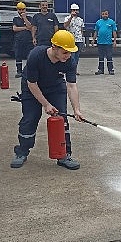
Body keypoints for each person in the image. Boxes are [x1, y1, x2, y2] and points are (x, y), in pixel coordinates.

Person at [11, 29, 84, 170]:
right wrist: (46, 104)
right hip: (32, 87)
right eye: (65, 52)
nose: (68, 56)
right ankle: (22, 152)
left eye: (70, 52)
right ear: (54, 47)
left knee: (62, 119)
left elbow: (71, 85)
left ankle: (64, 155)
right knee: (30, 118)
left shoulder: (70, 60)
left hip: (55, 87)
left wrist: (77, 110)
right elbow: (32, 84)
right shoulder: (36, 55)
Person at [12, 1, 34, 78]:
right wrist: (25, 28)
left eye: (22, 9)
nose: (21, 11)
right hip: (19, 40)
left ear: (25, 10)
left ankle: (28, 71)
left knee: (29, 56)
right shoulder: (15, 19)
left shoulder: (30, 18)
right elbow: (14, 28)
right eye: (19, 10)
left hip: (28, 41)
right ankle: (19, 71)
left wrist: (24, 18)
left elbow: (30, 27)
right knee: (18, 56)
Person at [92, 9, 117, 75]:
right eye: (103, 14)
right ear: (101, 15)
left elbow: (114, 32)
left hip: (108, 43)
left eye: (106, 14)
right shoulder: (98, 22)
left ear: (108, 14)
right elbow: (96, 32)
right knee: (101, 57)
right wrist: (93, 40)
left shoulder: (112, 22)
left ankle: (110, 70)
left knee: (109, 57)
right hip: (100, 43)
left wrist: (114, 41)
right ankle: (100, 70)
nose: (104, 15)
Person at [63, 3, 84, 74]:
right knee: (71, 56)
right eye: (73, 10)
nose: (75, 11)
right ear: (71, 10)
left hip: (79, 40)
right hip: (70, 40)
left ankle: (74, 70)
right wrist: (71, 17)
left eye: (76, 10)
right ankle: (69, 69)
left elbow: (81, 30)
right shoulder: (67, 18)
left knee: (77, 57)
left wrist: (82, 39)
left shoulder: (80, 20)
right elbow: (65, 26)